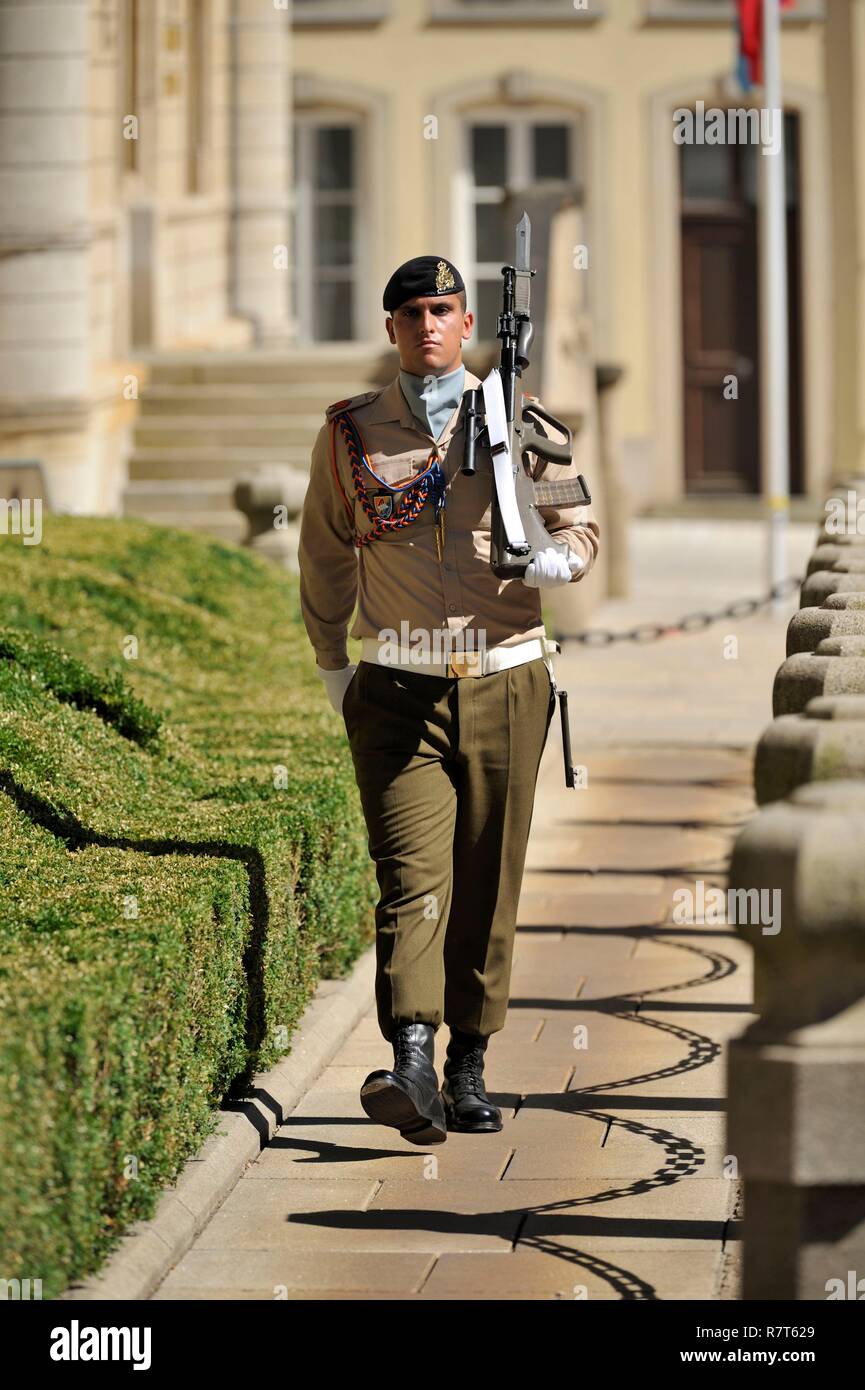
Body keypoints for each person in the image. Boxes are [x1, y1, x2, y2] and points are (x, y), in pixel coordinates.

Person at [297, 253, 600, 1146]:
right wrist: (331, 667)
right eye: (410, 313)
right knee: (410, 884)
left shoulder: (521, 422)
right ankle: (413, 1058)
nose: (427, 325)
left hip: (506, 677)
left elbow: (579, 528)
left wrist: (553, 561)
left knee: (486, 882)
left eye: (442, 309)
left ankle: (469, 1060)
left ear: (467, 325)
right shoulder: (349, 436)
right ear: (388, 329)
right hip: (397, 688)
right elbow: (323, 555)